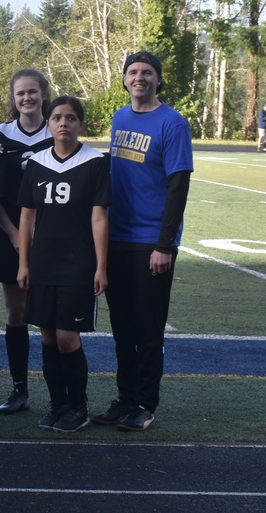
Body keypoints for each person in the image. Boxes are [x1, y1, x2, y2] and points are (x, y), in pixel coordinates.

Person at [95, 51, 192, 432]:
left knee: (148, 331)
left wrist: (164, 244)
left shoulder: (172, 122)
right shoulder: (120, 117)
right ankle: (125, 398)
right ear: (124, 79)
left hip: (151, 242)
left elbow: (178, 185)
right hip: (117, 238)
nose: (139, 78)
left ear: (158, 80)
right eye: (133, 72)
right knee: (123, 329)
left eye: (147, 73)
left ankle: (145, 404)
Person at [17, 95, 111, 432]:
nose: (63, 124)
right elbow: (27, 218)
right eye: (57, 117)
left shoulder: (95, 162)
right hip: (42, 262)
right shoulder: (37, 162)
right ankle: (57, 404)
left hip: (78, 264)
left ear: (80, 124)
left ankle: (78, 406)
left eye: (71, 118)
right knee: (46, 337)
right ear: (49, 122)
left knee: (67, 338)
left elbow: (99, 217)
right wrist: (23, 263)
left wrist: (101, 266)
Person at [0, 69, 53, 414]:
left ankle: (58, 392)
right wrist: (14, 235)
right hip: (9, 234)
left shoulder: (56, 130)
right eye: (20, 94)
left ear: (43, 94)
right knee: (16, 313)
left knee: (46, 317)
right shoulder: (0, 136)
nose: (26, 98)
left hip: (49, 238)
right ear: (13, 99)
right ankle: (19, 390)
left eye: (32, 92)